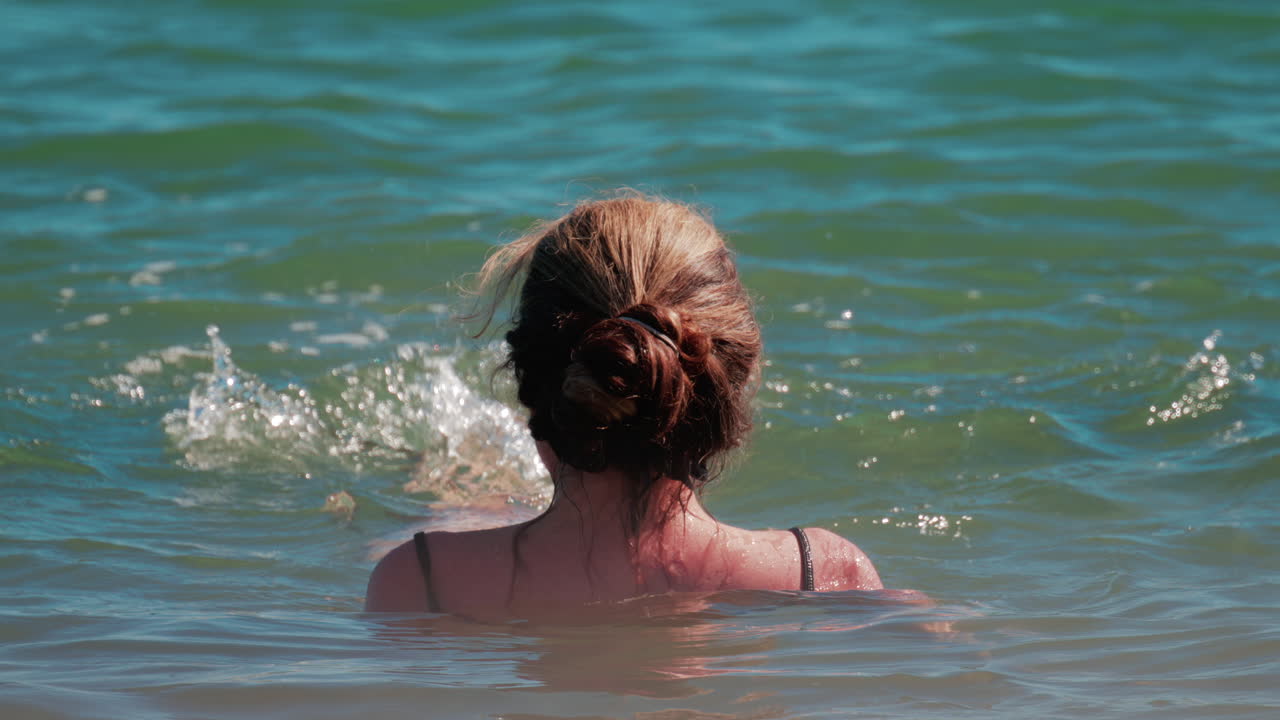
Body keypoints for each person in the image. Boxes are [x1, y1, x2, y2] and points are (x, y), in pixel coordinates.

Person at [365, 194, 883, 615]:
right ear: (734, 383)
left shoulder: (419, 582)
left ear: (532, 381)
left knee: (459, 508)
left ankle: (466, 488)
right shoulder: (827, 577)